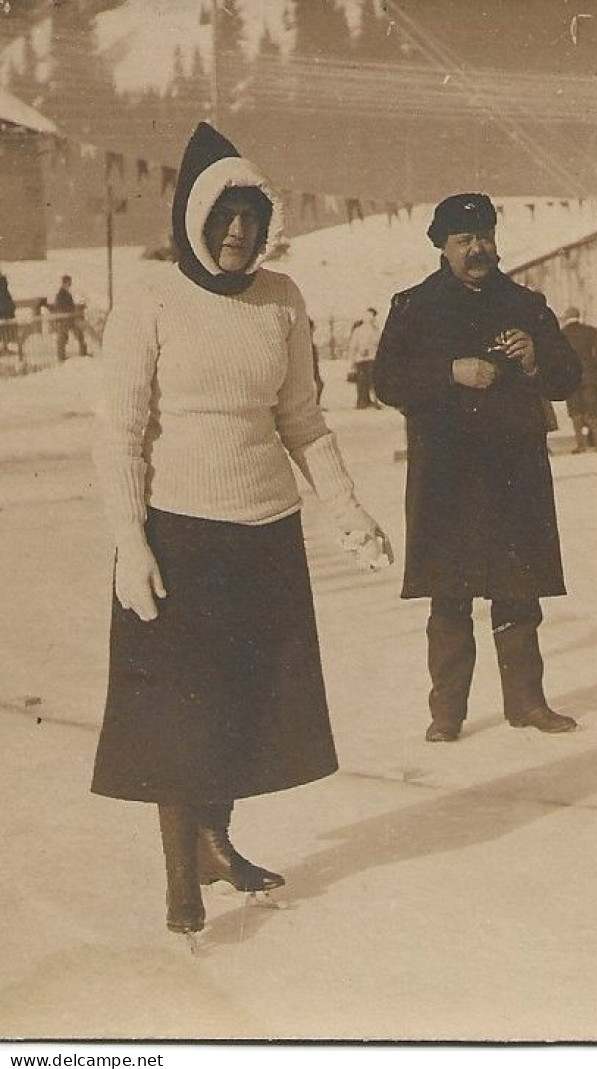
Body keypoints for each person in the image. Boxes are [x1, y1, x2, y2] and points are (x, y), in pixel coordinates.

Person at [90, 122, 392, 937]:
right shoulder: (150, 300)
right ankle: (180, 883)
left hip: (263, 532)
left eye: (251, 218)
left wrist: (348, 508)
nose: (236, 232)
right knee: (179, 717)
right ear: (193, 217)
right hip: (178, 536)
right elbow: (119, 431)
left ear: (268, 225)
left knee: (242, 705)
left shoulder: (282, 300)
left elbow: (302, 420)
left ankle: (215, 842)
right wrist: (130, 541)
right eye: (223, 215)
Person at [372, 192, 583, 744]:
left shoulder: (526, 304)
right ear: (442, 246)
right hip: (447, 476)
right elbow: (386, 382)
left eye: (484, 236)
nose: (478, 249)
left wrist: (537, 358)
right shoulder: (414, 307)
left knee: (519, 592)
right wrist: (448, 372)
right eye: (464, 240)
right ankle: (447, 713)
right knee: (450, 595)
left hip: (515, 474)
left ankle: (528, 703)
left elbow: (568, 377)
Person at [560, 306, 597, 453]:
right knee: (593, 410)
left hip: (570, 377)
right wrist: (594, 366)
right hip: (589, 376)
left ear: (567, 317)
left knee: (576, 411)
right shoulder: (591, 331)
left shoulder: (561, 334)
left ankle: (581, 444)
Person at [348, 306, 382, 409]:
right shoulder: (358, 331)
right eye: (369, 315)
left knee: (373, 381)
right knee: (362, 381)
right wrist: (352, 363)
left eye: (373, 316)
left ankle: (374, 401)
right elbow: (353, 347)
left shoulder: (376, 331)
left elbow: (380, 344)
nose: (371, 318)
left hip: (373, 359)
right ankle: (362, 402)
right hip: (361, 360)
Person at [52, 275, 89, 360]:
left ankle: (83, 352)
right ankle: (61, 356)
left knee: (78, 334)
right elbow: (60, 307)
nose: (69, 285)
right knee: (63, 337)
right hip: (64, 319)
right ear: (64, 283)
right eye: (68, 283)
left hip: (70, 318)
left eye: (70, 283)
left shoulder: (67, 294)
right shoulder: (61, 294)